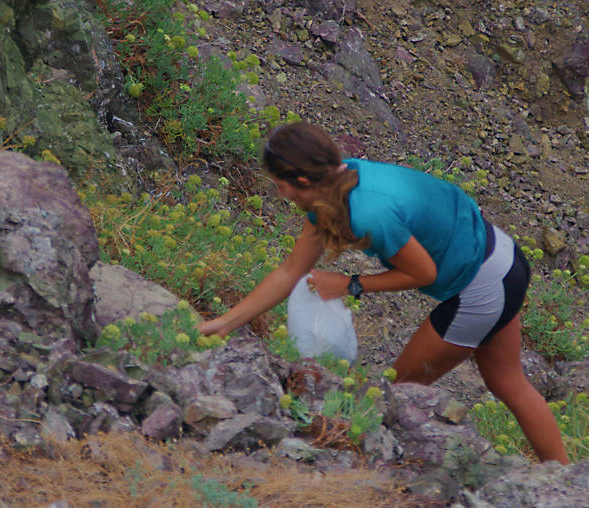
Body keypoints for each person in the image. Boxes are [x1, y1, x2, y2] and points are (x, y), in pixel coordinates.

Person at [197, 121, 569, 464]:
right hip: (501, 258)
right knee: (508, 383)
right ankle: (571, 486)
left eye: (280, 185)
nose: (279, 194)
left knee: (389, 395)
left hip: (483, 285)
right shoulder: (338, 184)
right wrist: (224, 324)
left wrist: (350, 284)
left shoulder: (369, 211)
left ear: (302, 180)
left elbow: (424, 272)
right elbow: (290, 271)